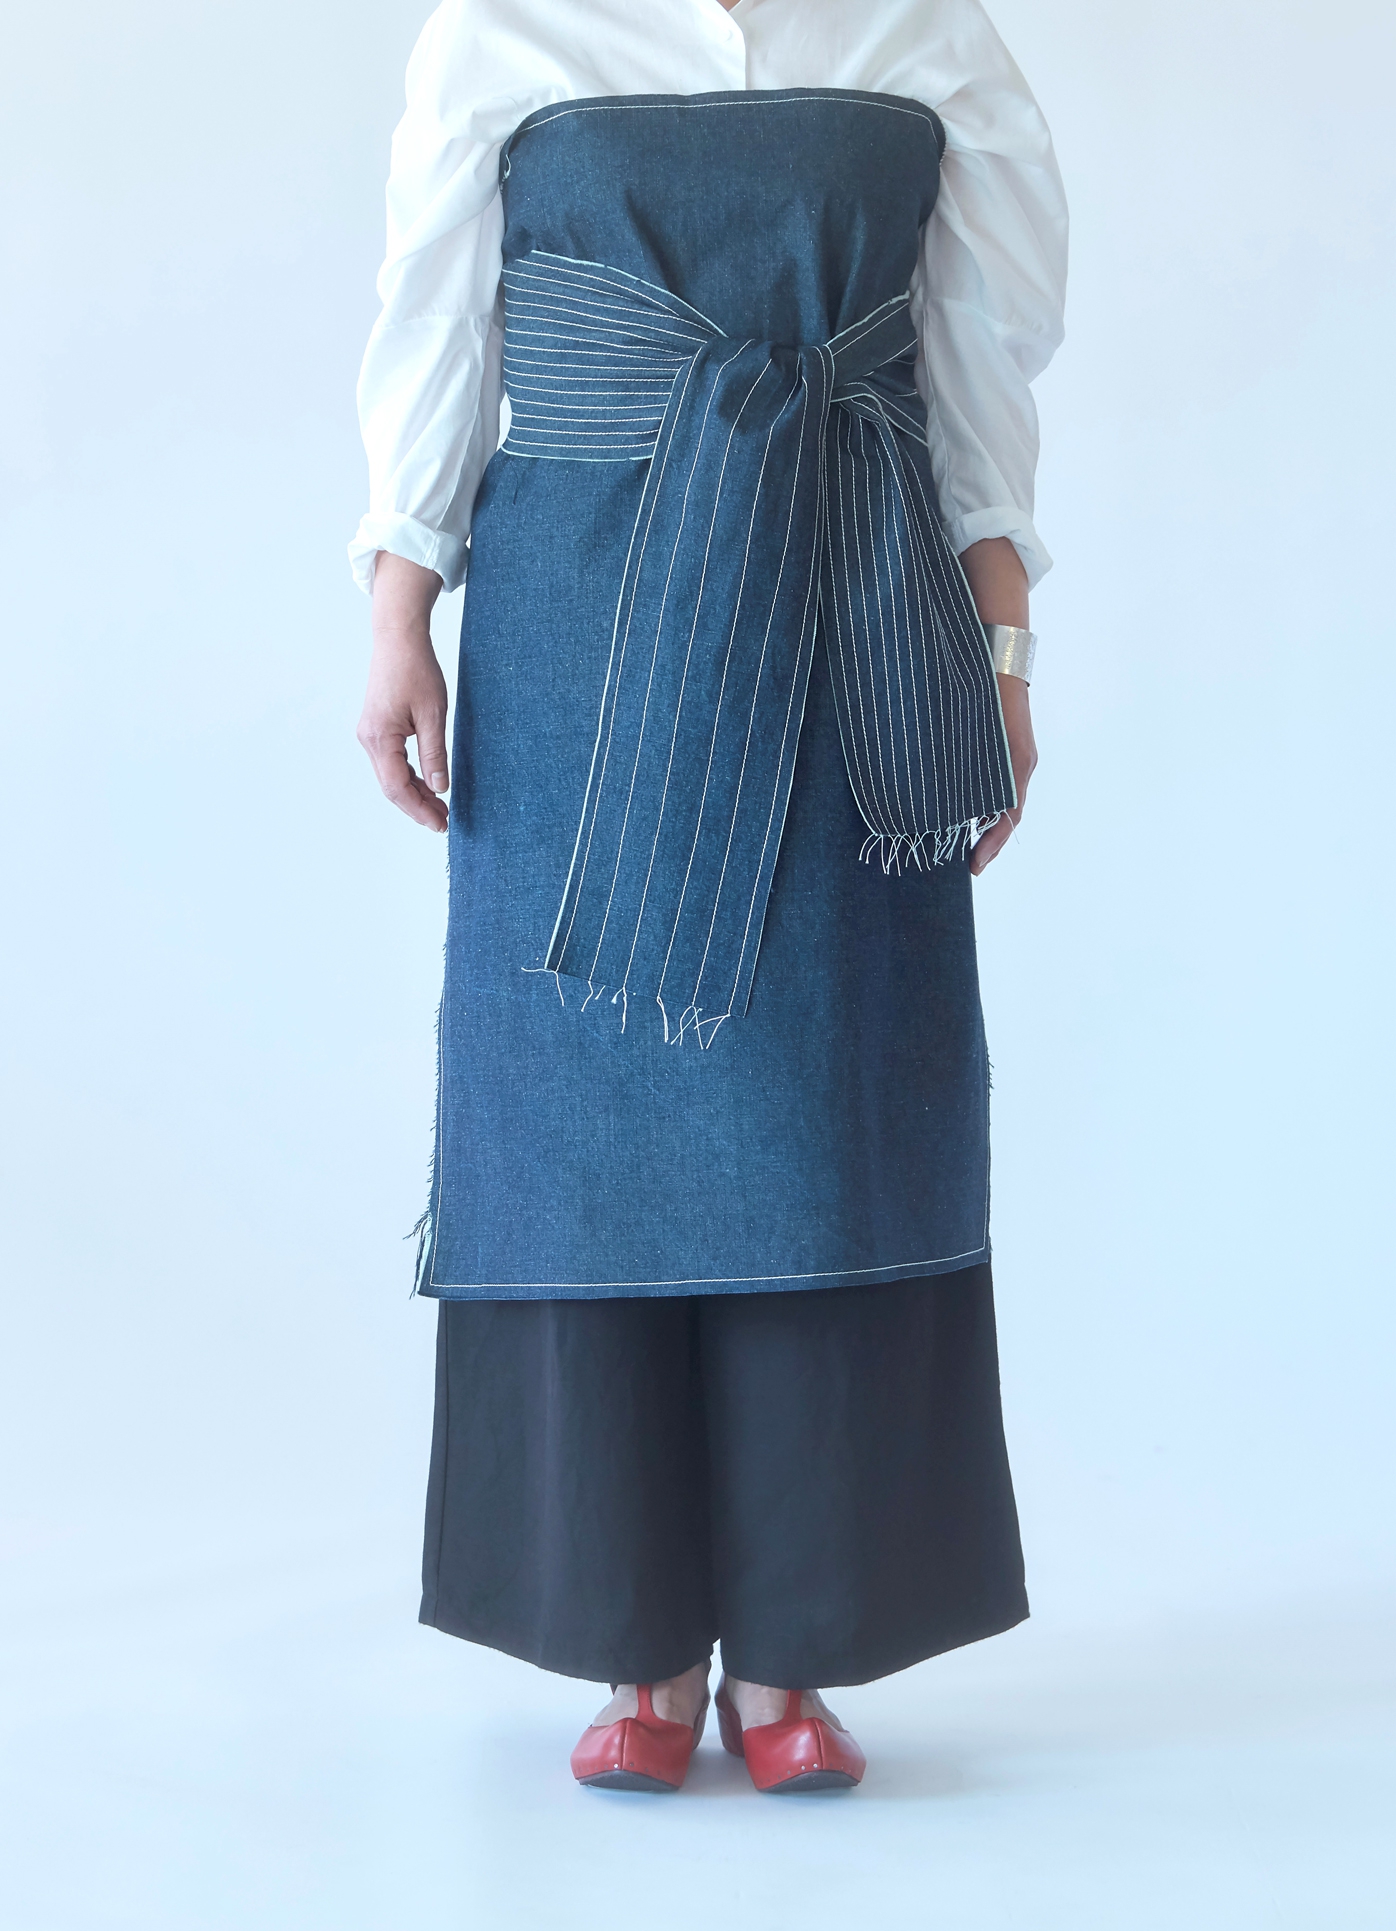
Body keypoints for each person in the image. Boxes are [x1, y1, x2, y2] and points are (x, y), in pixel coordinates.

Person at [351, 0, 1066, 1794]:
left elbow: (976, 357)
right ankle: (640, 1640)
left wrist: (1000, 654)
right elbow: (436, 321)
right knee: (588, 1115)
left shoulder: (926, 31)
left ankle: (798, 1648)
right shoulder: (502, 27)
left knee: (829, 1106)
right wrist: (395, 611)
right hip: (578, 626)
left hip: (855, 603)